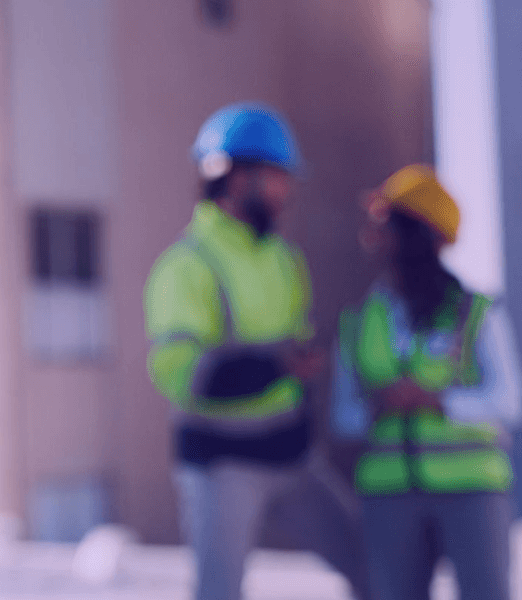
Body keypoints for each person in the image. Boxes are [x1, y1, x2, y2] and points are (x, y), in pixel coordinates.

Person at [144, 102, 368, 600]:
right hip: (223, 467)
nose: (285, 191)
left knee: (373, 564)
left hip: (292, 458)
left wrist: (300, 365)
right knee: (219, 593)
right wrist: (274, 366)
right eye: (275, 177)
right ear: (232, 178)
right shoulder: (185, 266)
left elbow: (295, 346)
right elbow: (181, 375)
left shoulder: (285, 260)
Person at [332, 164, 520, 600]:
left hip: (472, 489)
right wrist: (379, 406)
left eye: (396, 227)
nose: (383, 240)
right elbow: (343, 417)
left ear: (430, 237)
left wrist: (438, 402)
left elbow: (510, 400)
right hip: (388, 492)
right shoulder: (360, 321)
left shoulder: (477, 312)